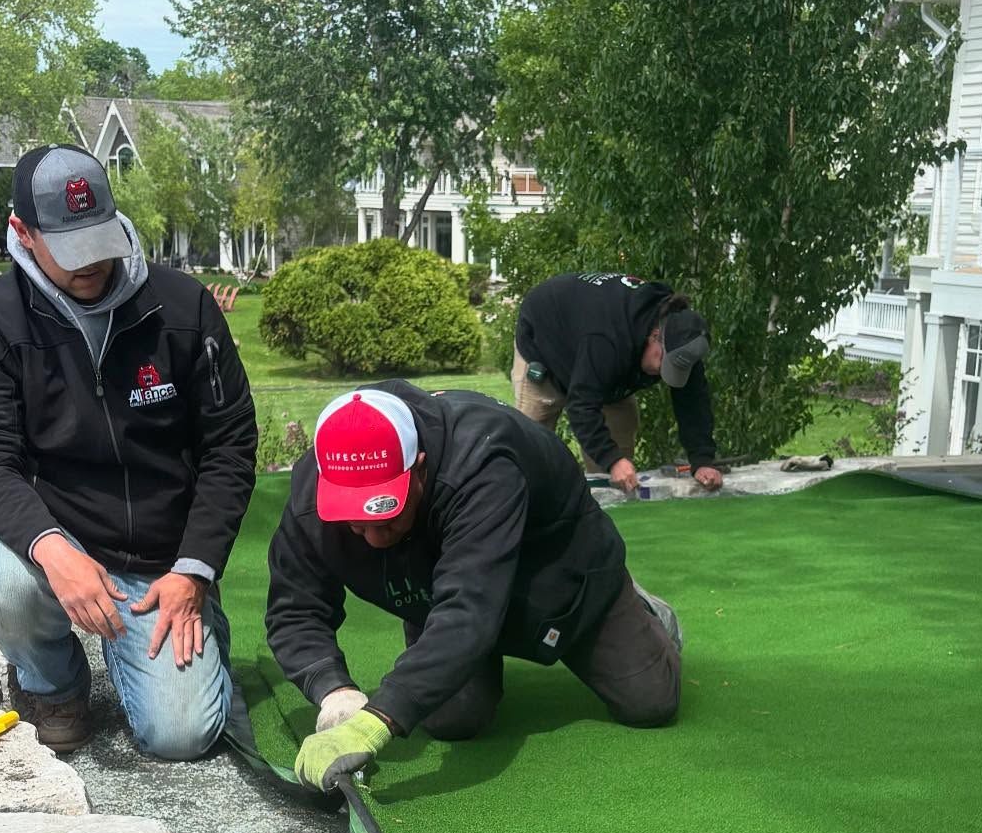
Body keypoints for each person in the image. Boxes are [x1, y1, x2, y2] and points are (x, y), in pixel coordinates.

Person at [0, 145, 257, 758]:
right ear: (22, 233)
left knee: (182, 737)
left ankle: (188, 623)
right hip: (59, 537)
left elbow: (230, 446)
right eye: (69, 247)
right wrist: (53, 549)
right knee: (2, 582)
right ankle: (52, 686)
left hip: (160, 559)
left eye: (99, 238)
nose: (90, 264)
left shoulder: (185, 308)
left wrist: (194, 569)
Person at [266, 382, 684, 794]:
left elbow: (469, 610)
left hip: (562, 578)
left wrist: (378, 720)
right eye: (356, 522)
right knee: (453, 720)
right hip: (444, 591)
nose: (373, 538)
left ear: (420, 468)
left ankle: (645, 611)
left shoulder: (484, 461)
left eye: (386, 516)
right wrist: (333, 692)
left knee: (649, 702)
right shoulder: (313, 493)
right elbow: (295, 610)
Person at [512, 271, 723, 497]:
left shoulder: (683, 339)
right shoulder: (607, 339)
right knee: (531, 450)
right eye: (662, 362)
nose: (662, 373)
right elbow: (581, 405)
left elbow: (693, 403)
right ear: (654, 335)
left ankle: (606, 520)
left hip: (605, 364)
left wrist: (702, 460)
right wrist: (612, 460)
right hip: (545, 340)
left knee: (620, 467)